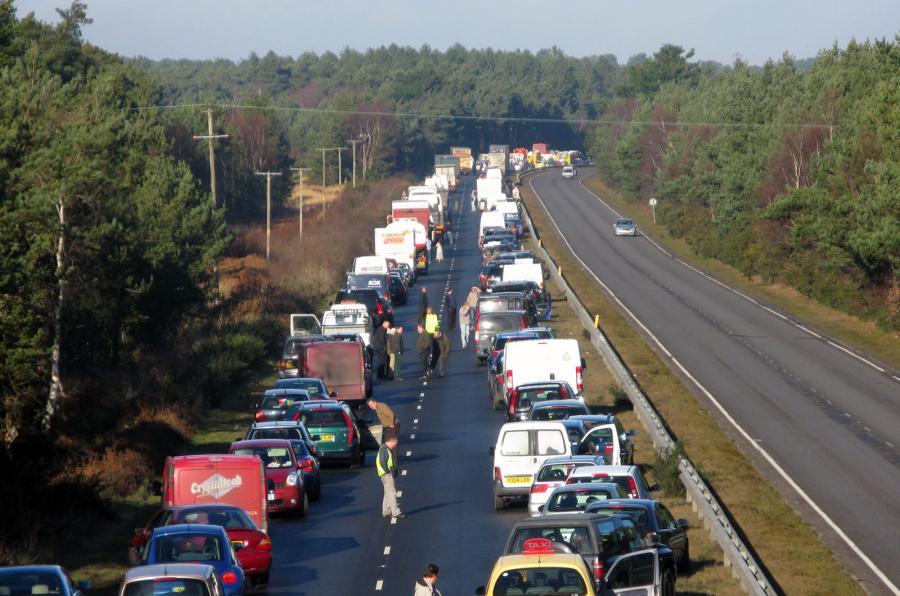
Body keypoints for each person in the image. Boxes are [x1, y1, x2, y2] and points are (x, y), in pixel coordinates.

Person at [377, 437, 403, 519]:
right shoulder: (384, 449)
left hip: (384, 474)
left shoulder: (384, 449)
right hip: (386, 475)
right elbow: (382, 461)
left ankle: (386, 512)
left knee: (387, 493)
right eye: (394, 444)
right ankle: (395, 512)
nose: (394, 446)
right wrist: (388, 471)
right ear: (391, 441)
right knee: (392, 493)